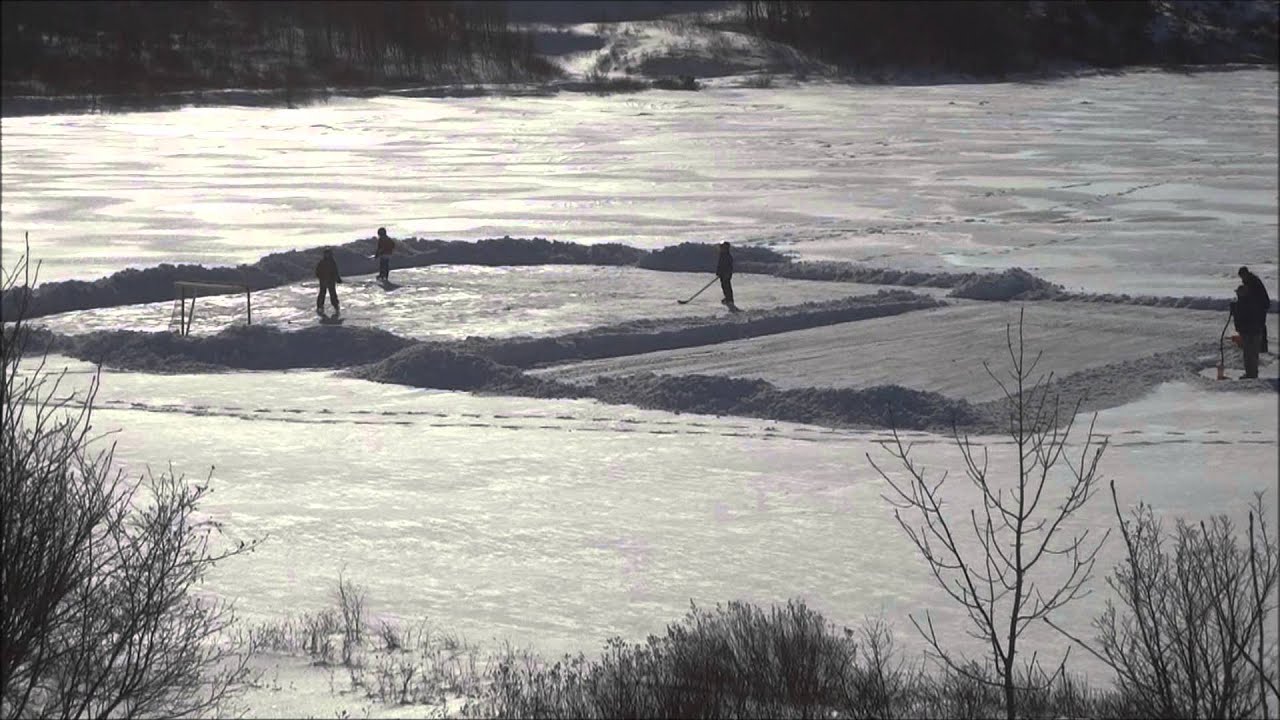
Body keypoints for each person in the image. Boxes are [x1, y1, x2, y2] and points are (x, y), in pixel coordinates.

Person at [1231, 266, 1270, 379]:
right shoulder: (1250, 283)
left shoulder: (1254, 284)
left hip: (1254, 325)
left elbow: (1260, 304)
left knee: (1251, 351)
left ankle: (1251, 374)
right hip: (1252, 325)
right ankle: (1251, 373)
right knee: (1249, 351)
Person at [315, 248, 342, 315]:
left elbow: (335, 271)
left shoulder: (332, 262)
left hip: (331, 281)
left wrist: (337, 278)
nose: (327, 255)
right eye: (326, 254)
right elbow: (317, 271)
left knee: (332, 293)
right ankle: (320, 306)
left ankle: (335, 305)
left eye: (328, 253)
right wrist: (321, 277)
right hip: (323, 281)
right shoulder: (322, 262)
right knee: (322, 293)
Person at [716, 241, 735, 308]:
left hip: (726, 274)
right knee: (724, 286)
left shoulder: (727, 256)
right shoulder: (722, 255)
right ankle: (727, 298)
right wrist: (718, 272)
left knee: (727, 286)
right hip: (722, 274)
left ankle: (729, 299)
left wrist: (726, 273)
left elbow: (729, 266)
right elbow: (720, 265)